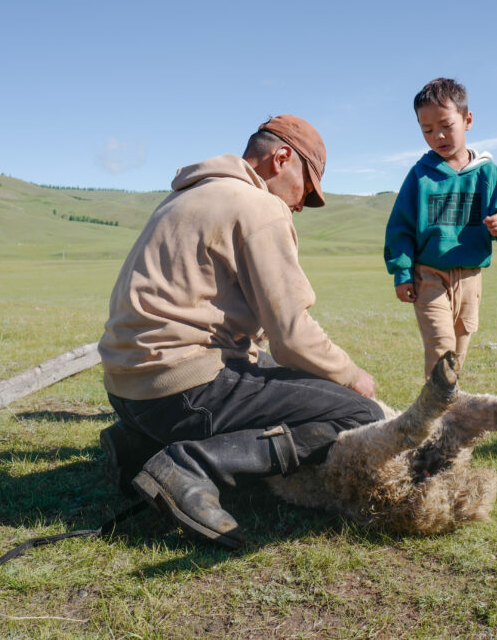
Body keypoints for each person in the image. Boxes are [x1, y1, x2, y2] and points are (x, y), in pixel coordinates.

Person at [98, 115, 383, 550]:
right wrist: (352, 376)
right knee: (358, 414)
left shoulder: (187, 196)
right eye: (304, 190)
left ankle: (137, 444)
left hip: (126, 388)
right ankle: (194, 466)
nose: (300, 206)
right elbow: (292, 336)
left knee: (268, 370)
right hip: (181, 388)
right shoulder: (258, 205)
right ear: (281, 158)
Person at [384, 78, 497, 377]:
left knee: (459, 351)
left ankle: (450, 412)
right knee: (441, 349)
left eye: (446, 125)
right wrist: (402, 273)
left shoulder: (486, 172)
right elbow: (400, 229)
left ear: (467, 120)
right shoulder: (420, 175)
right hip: (429, 275)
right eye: (427, 130)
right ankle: (433, 417)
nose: (437, 135)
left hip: (470, 279)